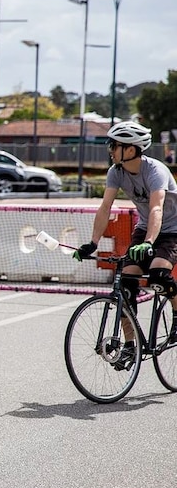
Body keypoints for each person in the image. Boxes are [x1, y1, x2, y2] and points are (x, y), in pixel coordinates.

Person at [73, 121, 177, 370]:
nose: (110, 149)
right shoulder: (115, 172)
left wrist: (150, 242)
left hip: (172, 230)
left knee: (159, 275)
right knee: (125, 287)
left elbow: (156, 208)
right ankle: (131, 345)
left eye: (114, 145)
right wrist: (92, 242)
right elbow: (105, 207)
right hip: (143, 229)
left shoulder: (156, 171)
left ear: (131, 149)